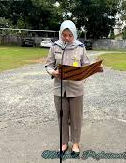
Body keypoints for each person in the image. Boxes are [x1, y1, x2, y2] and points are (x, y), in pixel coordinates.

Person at [44, 20, 91, 157]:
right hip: (59, 88)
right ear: (60, 34)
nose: (67, 38)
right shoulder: (55, 47)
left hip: (76, 89)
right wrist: (53, 72)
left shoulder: (80, 47)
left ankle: (75, 143)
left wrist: (83, 77)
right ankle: (64, 142)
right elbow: (48, 65)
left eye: (70, 35)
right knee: (62, 117)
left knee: (76, 118)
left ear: (74, 34)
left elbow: (86, 66)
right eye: (64, 35)